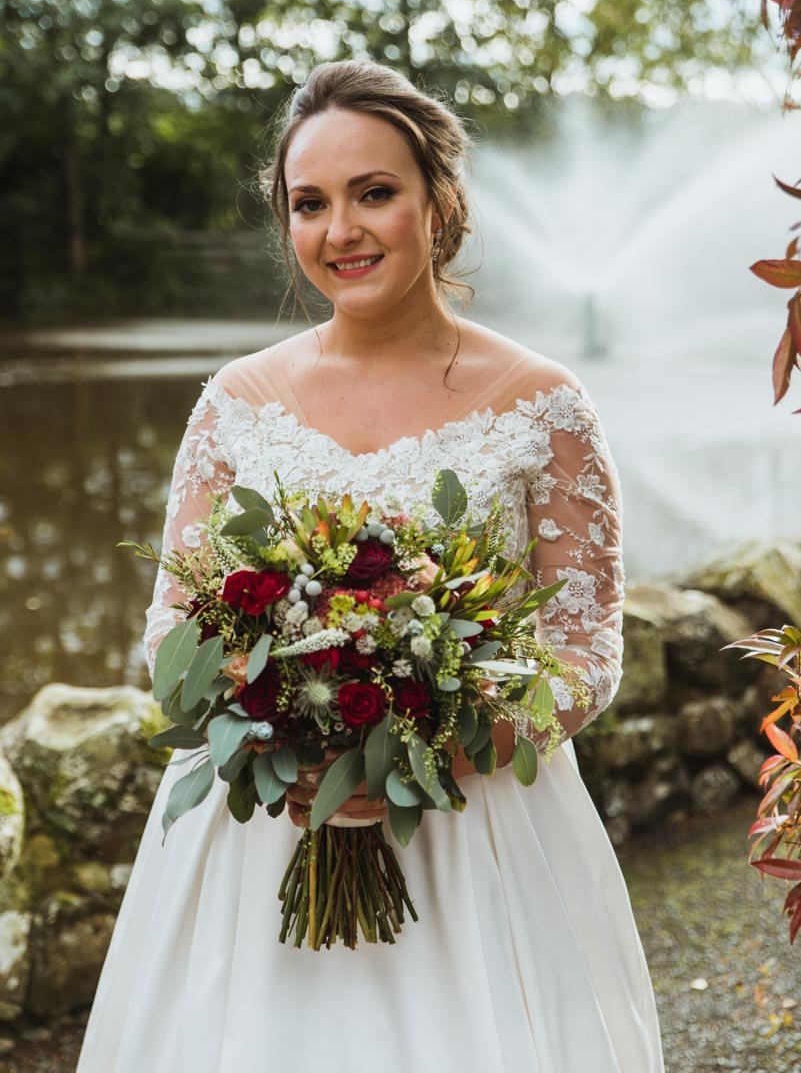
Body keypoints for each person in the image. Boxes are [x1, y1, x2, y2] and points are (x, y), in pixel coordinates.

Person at [76, 59, 665, 1072]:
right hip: (263, 832)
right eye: (310, 204)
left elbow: (583, 652)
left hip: (478, 840)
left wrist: (434, 749)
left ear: (440, 203)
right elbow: (173, 632)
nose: (340, 230)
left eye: (374, 193)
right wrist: (285, 737)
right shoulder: (235, 403)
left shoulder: (543, 404)